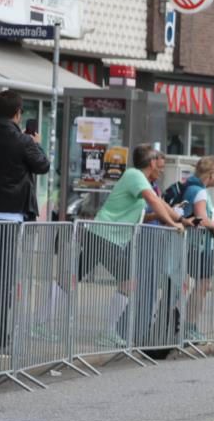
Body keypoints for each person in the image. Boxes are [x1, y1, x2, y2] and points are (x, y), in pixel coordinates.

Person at [77, 145, 184, 347]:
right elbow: (154, 201)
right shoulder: (135, 175)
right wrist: (173, 223)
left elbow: (156, 205)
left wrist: (181, 220)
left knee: (72, 278)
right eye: (159, 165)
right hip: (106, 236)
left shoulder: (139, 179)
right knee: (128, 281)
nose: (161, 170)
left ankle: (40, 322)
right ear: (152, 162)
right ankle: (108, 332)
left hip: (105, 235)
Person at [0, 90, 49, 352]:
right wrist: (35, 143)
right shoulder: (23, 141)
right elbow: (43, 166)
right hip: (10, 217)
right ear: (18, 113)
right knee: (3, 279)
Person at [179, 156, 214, 342]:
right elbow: (201, 218)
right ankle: (189, 326)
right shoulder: (200, 192)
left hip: (192, 244)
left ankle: (186, 326)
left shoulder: (190, 187)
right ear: (212, 174)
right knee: (202, 286)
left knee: (196, 286)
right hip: (200, 246)